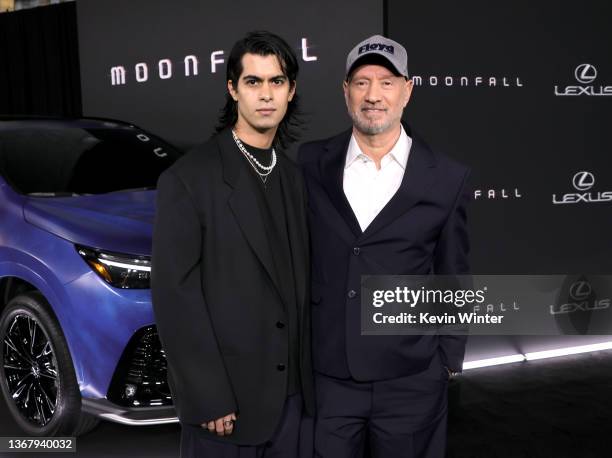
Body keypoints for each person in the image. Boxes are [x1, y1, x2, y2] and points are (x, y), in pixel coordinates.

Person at [298, 35, 470, 458]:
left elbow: (453, 273)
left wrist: (446, 361)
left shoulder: (447, 176)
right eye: (361, 82)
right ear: (345, 91)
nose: (373, 95)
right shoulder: (308, 163)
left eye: (387, 82)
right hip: (329, 379)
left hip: (411, 381)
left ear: (407, 90)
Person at [151, 30, 314, 458]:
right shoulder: (189, 179)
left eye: (276, 82)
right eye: (253, 82)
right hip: (227, 411)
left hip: (293, 408)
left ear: (291, 90)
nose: (266, 95)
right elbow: (174, 297)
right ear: (233, 89)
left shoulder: (295, 179)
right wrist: (208, 395)